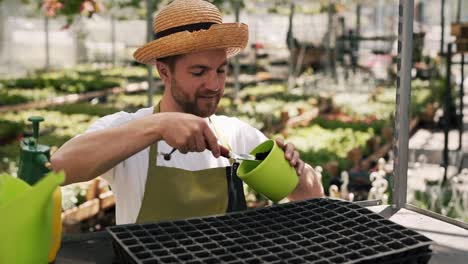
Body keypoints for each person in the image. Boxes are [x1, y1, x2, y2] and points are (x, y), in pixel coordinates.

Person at [51, 0, 324, 225]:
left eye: (220, 70)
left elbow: (311, 197)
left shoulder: (235, 135)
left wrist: (297, 170)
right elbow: (59, 168)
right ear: (164, 71)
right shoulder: (130, 129)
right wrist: (158, 126)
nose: (214, 85)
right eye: (199, 72)